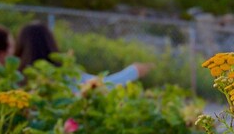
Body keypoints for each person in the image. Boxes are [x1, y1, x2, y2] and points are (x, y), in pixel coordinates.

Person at [14, 21, 151, 87]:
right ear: (50, 43)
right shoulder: (63, 74)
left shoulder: (13, 77)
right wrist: (133, 72)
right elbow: (99, 85)